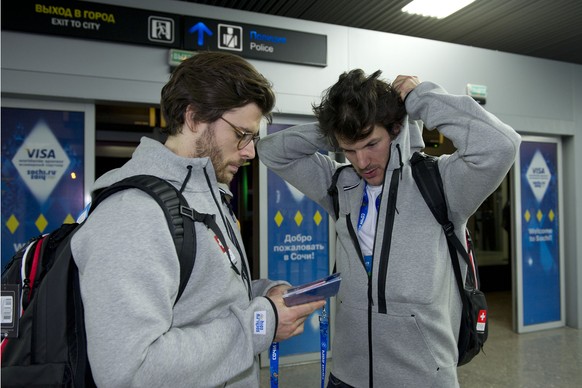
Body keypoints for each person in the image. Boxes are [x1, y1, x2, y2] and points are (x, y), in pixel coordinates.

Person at [71, 52, 325, 387]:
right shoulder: (133, 212)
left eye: (253, 138)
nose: (250, 152)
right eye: (241, 134)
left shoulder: (208, 194)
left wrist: (266, 295)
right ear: (193, 119)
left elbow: (203, 302)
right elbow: (129, 372)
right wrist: (262, 322)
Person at [257, 70, 521, 387]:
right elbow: (271, 150)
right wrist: (337, 128)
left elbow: (501, 145)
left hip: (422, 376)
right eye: (349, 150)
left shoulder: (442, 182)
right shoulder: (341, 185)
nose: (362, 161)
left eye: (371, 143)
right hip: (347, 375)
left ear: (396, 130)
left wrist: (419, 97)